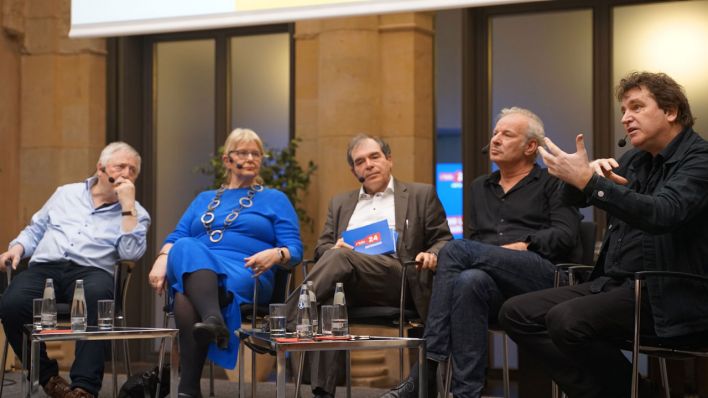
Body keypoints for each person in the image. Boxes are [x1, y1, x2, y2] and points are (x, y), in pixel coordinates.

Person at [499, 72, 708, 398]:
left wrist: (591, 183)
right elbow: (580, 198)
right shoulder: (637, 160)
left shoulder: (700, 161)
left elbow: (662, 213)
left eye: (637, 107)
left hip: (667, 294)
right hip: (615, 284)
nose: (626, 118)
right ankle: (633, 392)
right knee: (516, 313)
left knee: (566, 320)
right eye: (623, 110)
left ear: (670, 111)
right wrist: (580, 177)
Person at [380, 107, 582, 398]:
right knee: (468, 281)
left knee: (457, 249)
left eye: (506, 134)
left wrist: (525, 245)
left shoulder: (553, 182)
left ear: (530, 147)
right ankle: (466, 393)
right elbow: (476, 241)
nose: (495, 139)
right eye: (495, 132)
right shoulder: (479, 188)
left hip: (540, 278)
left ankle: (429, 365)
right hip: (490, 283)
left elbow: (566, 235)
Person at [286, 134, 452, 398]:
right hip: (349, 282)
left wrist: (431, 254)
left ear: (389, 160)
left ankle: (287, 317)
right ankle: (322, 392)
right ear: (354, 171)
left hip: (399, 279)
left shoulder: (421, 194)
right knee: (329, 297)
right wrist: (334, 248)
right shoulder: (340, 203)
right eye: (360, 161)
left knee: (338, 261)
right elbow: (321, 248)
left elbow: (444, 239)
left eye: (375, 157)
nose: (369, 164)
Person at [148, 128, 303, 398]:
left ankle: (188, 388)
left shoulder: (275, 199)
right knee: (185, 249)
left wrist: (276, 254)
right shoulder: (204, 199)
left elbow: (296, 249)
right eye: (243, 152)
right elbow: (177, 236)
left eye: (256, 153)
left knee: (185, 292)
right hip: (201, 269)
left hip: (247, 269)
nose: (251, 158)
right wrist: (161, 259)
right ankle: (213, 320)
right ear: (226, 160)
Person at [0, 142, 149, 398]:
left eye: (132, 170)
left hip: (92, 271)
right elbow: (36, 229)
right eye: (120, 166)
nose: (126, 173)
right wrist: (17, 247)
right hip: (45, 267)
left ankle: (84, 388)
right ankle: (47, 378)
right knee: (11, 303)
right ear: (101, 168)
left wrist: (127, 208)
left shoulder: (137, 213)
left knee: (99, 296)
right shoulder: (65, 193)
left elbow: (130, 254)